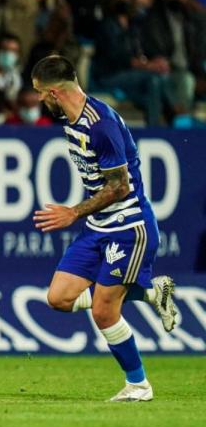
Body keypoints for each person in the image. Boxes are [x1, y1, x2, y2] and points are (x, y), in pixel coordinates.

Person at [30, 55, 179, 402]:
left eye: (40, 92)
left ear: (55, 92)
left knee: (103, 310)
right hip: (99, 227)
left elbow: (120, 186)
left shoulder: (101, 125)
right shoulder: (73, 118)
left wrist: (73, 212)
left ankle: (138, 385)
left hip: (129, 226)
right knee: (59, 298)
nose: (39, 99)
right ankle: (153, 293)